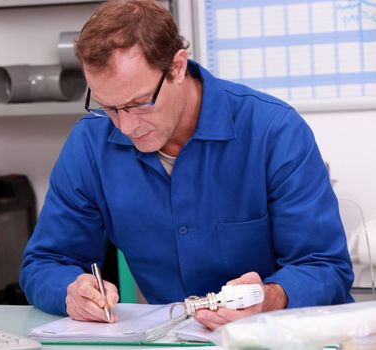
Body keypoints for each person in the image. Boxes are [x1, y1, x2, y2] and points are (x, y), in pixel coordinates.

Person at [20, 0, 354, 330]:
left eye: (138, 104)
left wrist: (271, 297)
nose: (125, 126)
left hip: (283, 336)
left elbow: (326, 267)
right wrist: (70, 291)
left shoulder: (273, 131)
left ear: (178, 67)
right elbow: (45, 262)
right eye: (108, 106)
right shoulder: (90, 144)